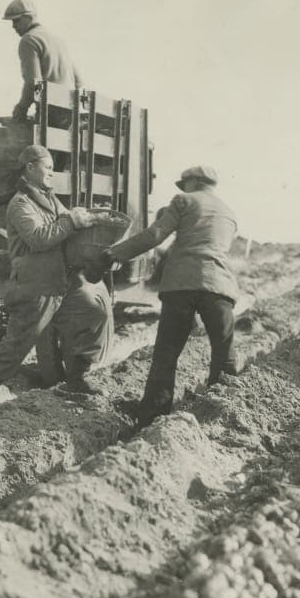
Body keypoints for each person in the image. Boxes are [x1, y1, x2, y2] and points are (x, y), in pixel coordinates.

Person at [0, 145, 110, 412]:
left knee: (94, 311)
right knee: (19, 341)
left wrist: (87, 218)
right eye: (48, 167)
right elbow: (39, 238)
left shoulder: (49, 199)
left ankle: (77, 377)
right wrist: (71, 222)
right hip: (35, 284)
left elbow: (67, 222)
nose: (52, 174)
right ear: (30, 168)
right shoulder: (20, 203)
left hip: (60, 280)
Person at [104, 166, 241, 428]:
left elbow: (155, 235)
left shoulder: (184, 201)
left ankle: (152, 416)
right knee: (224, 353)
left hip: (182, 285)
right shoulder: (229, 213)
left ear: (194, 182)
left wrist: (115, 253)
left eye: (185, 184)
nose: (182, 189)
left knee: (167, 353)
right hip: (219, 286)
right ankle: (220, 417)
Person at [3, 0, 84, 124]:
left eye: (16, 21)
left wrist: (21, 108)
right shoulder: (59, 41)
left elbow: (33, 82)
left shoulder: (29, 40)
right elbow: (79, 82)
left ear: (29, 17)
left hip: (50, 114)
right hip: (71, 114)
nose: (13, 26)